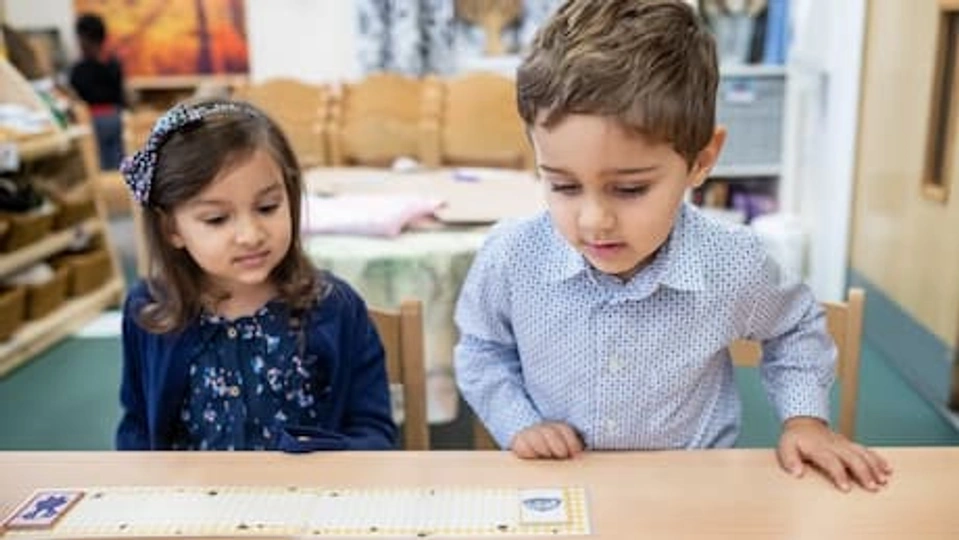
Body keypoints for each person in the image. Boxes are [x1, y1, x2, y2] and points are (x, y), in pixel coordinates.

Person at [454, 0, 892, 492]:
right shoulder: (511, 256)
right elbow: (481, 351)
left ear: (701, 160)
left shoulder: (731, 262)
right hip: (557, 489)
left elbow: (795, 327)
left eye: (630, 189)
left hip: (692, 492)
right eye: (563, 186)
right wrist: (520, 423)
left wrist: (805, 421)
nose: (594, 220)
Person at [116, 98, 397, 451]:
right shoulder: (149, 310)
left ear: (290, 197)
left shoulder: (334, 307)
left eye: (268, 207)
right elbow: (137, 429)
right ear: (171, 228)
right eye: (217, 219)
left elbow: (372, 432)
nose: (250, 235)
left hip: (314, 500)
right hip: (190, 503)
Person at [69, 13, 125, 170]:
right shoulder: (114, 63)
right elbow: (119, 94)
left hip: (94, 120)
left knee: (101, 165)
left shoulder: (80, 69)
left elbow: (77, 97)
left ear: (84, 38)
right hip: (116, 116)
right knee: (117, 163)